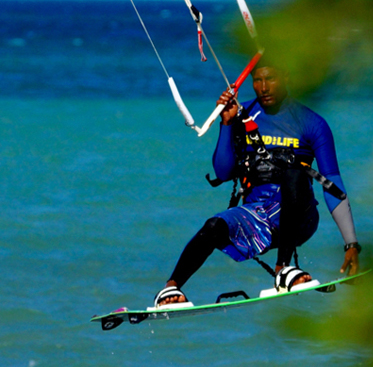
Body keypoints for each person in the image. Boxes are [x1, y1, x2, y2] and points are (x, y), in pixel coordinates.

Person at [153, 61, 361, 307]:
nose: (263, 87)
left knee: (294, 175)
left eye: (270, 78)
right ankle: (171, 287)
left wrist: (351, 243)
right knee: (213, 226)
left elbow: (332, 183)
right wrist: (227, 123)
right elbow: (223, 170)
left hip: (298, 215)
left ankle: (282, 269)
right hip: (257, 216)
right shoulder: (244, 114)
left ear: (286, 77)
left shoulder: (312, 123)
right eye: (257, 80)